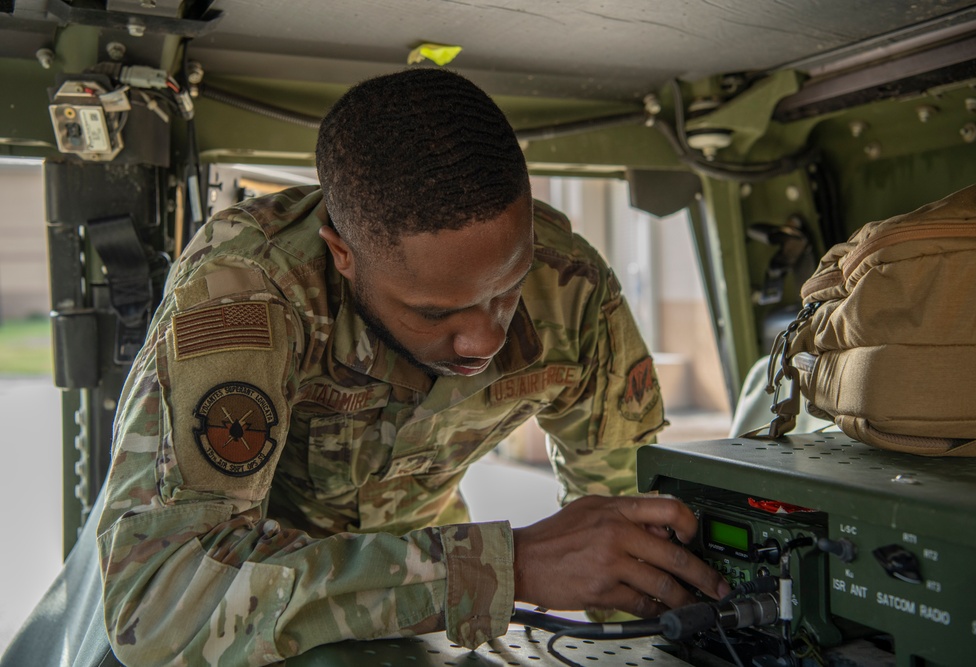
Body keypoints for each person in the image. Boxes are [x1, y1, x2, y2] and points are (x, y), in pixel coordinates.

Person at [97, 67, 728, 666]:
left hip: (429, 604)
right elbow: (158, 606)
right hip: (254, 624)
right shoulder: (248, 296)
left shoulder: (572, 285)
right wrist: (509, 567)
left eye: (508, 286)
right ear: (342, 254)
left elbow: (619, 527)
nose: (483, 336)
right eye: (435, 314)